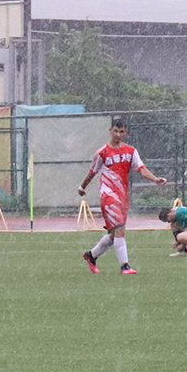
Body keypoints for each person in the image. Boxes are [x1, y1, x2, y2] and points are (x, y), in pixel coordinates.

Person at [77, 118, 167, 275]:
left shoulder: (131, 151)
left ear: (126, 132)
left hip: (123, 197)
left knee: (113, 235)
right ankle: (125, 266)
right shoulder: (102, 152)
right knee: (120, 230)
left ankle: (91, 255)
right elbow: (92, 172)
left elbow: (141, 168)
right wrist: (82, 187)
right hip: (108, 196)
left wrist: (155, 179)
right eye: (115, 131)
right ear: (110, 131)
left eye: (121, 131)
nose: (118, 134)